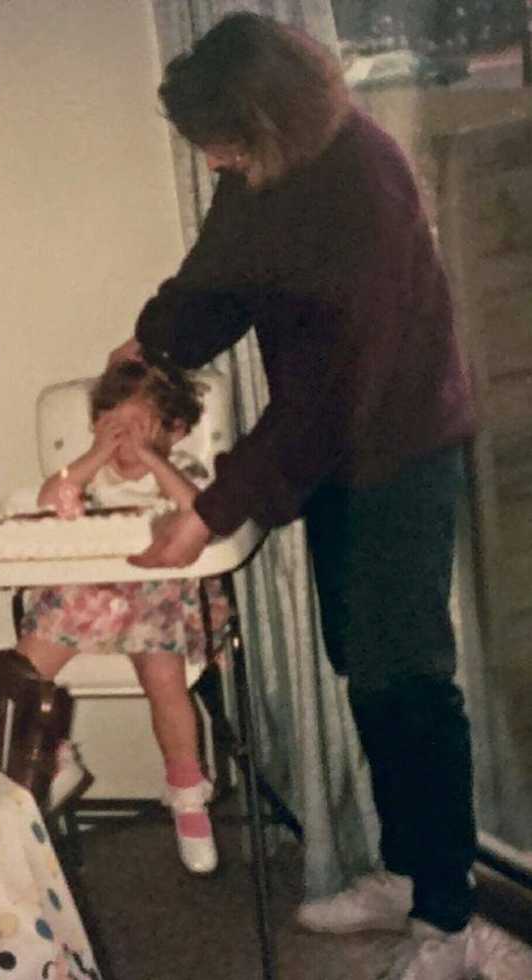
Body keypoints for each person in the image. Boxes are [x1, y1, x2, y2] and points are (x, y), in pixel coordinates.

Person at [119, 12, 482, 980]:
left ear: (268, 123)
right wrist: (152, 343)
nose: (215, 164)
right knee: (362, 662)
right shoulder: (264, 174)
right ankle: (406, 871)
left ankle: (448, 917)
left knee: (408, 678)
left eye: (223, 146)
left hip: (401, 447)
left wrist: (210, 508)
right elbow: (218, 277)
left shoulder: (362, 187)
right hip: (339, 453)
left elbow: (328, 394)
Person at [16, 358, 227, 875]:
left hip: (158, 596)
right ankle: (53, 758)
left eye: (140, 426)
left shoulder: (184, 471)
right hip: (92, 594)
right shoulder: (89, 476)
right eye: (113, 424)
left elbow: (198, 508)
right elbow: (46, 501)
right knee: (20, 670)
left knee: (163, 675)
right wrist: (94, 456)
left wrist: (154, 460)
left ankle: (187, 792)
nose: (125, 439)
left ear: (174, 431)